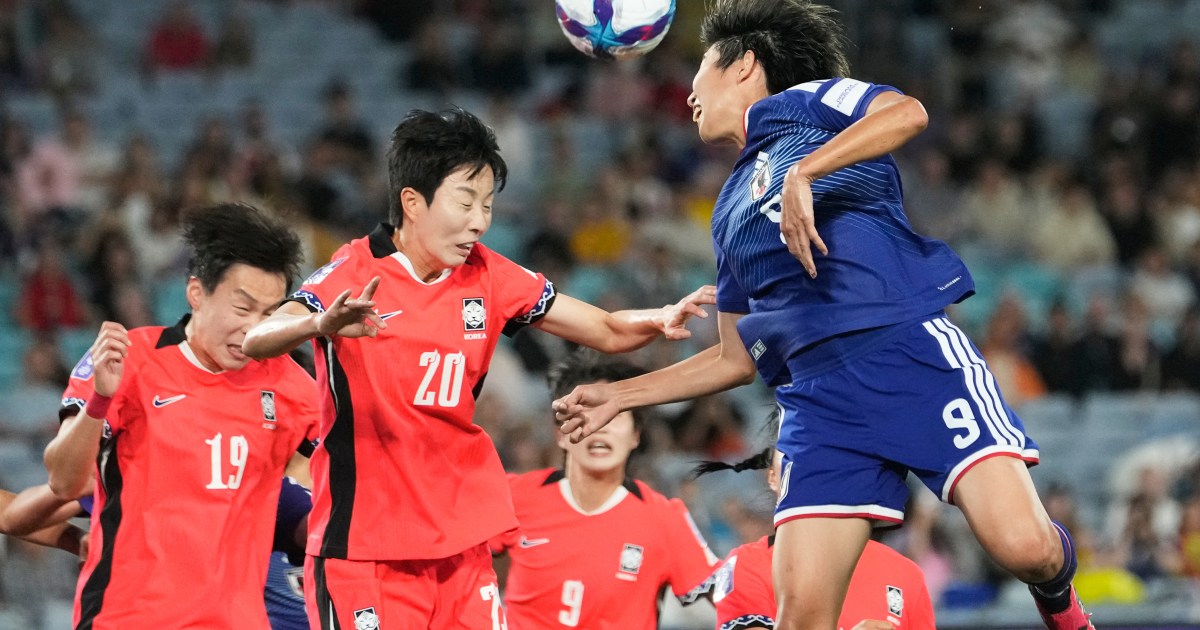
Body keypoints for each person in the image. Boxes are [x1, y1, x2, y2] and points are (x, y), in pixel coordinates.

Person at [552, 2, 1093, 629]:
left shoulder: (808, 103)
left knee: (1025, 550)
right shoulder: (727, 212)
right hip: (817, 404)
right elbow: (733, 359)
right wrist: (621, 394)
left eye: (700, 69)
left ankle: (1067, 611)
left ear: (744, 64)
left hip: (906, 355)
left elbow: (907, 113)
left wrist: (806, 172)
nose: (689, 94)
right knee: (802, 617)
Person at [241, 107, 716, 630]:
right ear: (412, 202)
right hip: (365, 552)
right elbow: (257, 338)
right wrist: (319, 324)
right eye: (466, 202)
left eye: (487, 204)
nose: (480, 221)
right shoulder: (353, 272)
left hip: (461, 550)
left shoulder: (489, 275)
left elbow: (605, 329)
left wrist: (659, 317)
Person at [43, 203, 320, 629]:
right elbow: (64, 481)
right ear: (197, 293)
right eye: (242, 309)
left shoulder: (289, 383)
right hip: (128, 618)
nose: (254, 328)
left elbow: (362, 472)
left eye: (269, 314)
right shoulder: (130, 360)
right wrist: (99, 401)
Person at [492, 351, 718, 629]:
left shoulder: (664, 517)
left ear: (635, 435)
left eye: (614, 416)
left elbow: (732, 600)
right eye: (586, 414)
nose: (600, 427)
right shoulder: (513, 495)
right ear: (560, 433)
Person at [692, 426, 936, 629]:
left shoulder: (906, 574)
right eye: (799, 459)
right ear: (773, 477)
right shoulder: (747, 565)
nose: (816, 474)